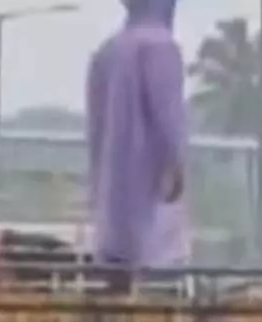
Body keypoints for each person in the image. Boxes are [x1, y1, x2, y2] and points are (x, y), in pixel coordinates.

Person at [86, 0, 189, 275]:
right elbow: (168, 120)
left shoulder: (106, 53)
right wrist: (175, 166)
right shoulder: (161, 48)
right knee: (159, 293)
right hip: (152, 222)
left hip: (110, 219)